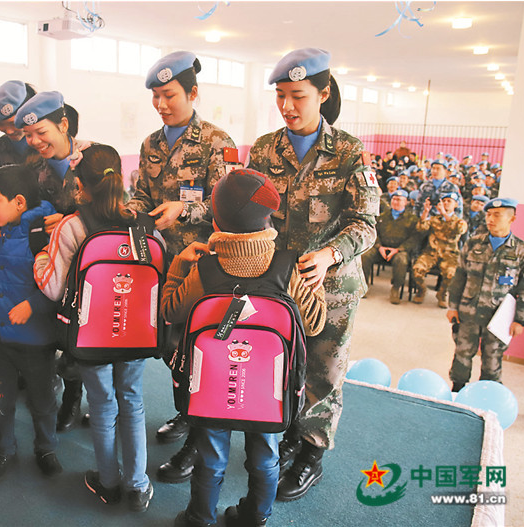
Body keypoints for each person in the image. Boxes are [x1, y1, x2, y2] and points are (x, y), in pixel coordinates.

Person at [247, 48, 380, 501]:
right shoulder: (265, 149)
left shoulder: (349, 152)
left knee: (323, 373)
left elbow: (365, 224)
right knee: (283, 364)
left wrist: (329, 255)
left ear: (323, 94)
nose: (287, 106)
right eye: (280, 95)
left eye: (298, 96)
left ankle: (311, 453)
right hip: (277, 283)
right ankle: (289, 434)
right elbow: (249, 207)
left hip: (331, 288)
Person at [168, 169, 327, 527]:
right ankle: (256, 516)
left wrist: (179, 265)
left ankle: (199, 517)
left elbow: (170, 309)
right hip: (268, 387)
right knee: (265, 453)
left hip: (212, 384)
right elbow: (315, 323)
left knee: (211, 453)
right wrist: (316, 284)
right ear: (268, 218)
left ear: (216, 220)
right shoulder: (287, 265)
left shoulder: (206, 269)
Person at [124, 50, 239, 484]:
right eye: (155, 96)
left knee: (202, 352)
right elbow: (143, 194)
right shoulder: (150, 145)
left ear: (192, 93)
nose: (160, 104)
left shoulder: (217, 142)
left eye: (169, 95)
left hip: (202, 270)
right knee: (173, 349)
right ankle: (187, 414)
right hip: (160, 267)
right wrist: (128, 209)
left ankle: (198, 440)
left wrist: (184, 210)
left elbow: (229, 206)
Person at [33, 144, 155, 512]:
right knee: (132, 401)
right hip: (135, 332)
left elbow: (53, 287)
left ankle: (109, 482)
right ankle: (138, 486)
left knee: (102, 406)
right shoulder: (143, 225)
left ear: (80, 186)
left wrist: (41, 256)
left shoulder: (72, 226)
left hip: (91, 336)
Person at [0, 164, 61, 483]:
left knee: (42, 401)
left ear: (19, 202)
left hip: (36, 342)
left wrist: (32, 305)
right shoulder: (5, 230)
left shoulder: (43, 234)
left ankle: (46, 449)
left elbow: (59, 286)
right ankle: (4, 449)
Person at [15, 91, 87, 433]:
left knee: (79, 337)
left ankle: (74, 395)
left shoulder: (91, 158)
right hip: (49, 265)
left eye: (40, 132)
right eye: (28, 135)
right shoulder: (35, 168)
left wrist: (71, 219)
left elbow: (112, 210)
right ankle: (56, 388)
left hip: (85, 268)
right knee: (54, 331)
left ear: (63, 125)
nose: (34, 141)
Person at [448, 197, 524, 391]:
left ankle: (487, 395)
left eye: (497, 215)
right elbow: (459, 276)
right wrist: (452, 306)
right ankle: (457, 392)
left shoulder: (521, 251)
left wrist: (520, 320)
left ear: (512, 219)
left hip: (499, 317)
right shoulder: (473, 243)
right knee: (462, 356)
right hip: (469, 312)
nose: (490, 219)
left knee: (492, 362)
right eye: (489, 214)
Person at [361, 189, 420, 304]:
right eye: (394, 199)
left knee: (401, 260)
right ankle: (363, 285)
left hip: (399, 250)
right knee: (365, 255)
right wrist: (379, 246)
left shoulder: (412, 219)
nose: (396, 202)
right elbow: (374, 232)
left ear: (406, 202)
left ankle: (396, 289)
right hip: (381, 249)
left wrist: (398, 249)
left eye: (399, 200)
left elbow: (414, 239)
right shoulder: (382, 216)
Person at [411, 192, 467, 308]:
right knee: (417, 269)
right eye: (444, 201)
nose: (446, 203)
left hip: (449, 255)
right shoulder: (434, 219)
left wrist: (444, 214)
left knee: (451, 274)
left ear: (456, 204)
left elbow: (459, 230)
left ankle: (442, 294)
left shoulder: (460, 222)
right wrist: (425, 212)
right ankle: (422, 290)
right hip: (431, 253)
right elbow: (421, 228)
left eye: (449, 201)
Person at [0, 80, 36, 169]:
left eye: (13, 123)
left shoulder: (47, 143)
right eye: (1, 124)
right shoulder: (0, 146)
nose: (9, 131)